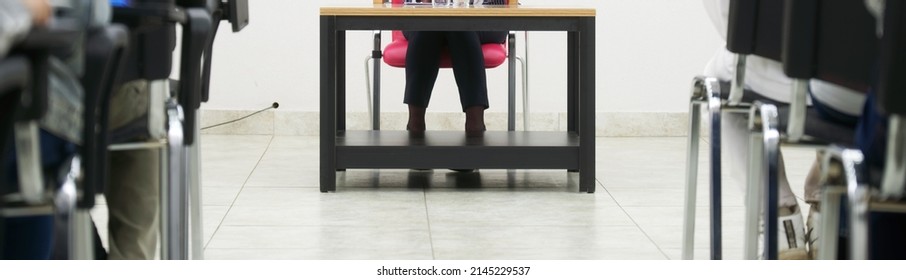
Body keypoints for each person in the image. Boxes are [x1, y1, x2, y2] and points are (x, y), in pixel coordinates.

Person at [702, 0, 867, 259]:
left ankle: (778, 215)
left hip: (766, 75)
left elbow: (731, 25)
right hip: (852, 88)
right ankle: (829, 202)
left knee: (723, 85)